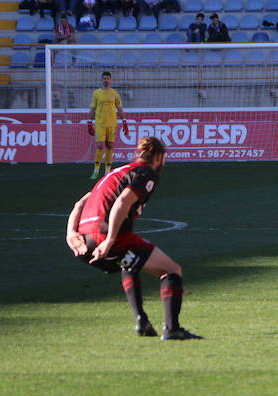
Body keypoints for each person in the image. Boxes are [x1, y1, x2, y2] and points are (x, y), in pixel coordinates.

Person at [66, 136, 201, 340]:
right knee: (172, 270)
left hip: (84, 241)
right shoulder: (147, 172)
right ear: (158, 157)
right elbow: (122, 202)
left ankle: (142, 321)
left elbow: (79, 204)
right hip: (105, 236)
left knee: (129, 262)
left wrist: (70, 233)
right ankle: (172, 329)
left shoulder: (117, 172)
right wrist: (110, 239)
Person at [87, 70, 129, 179]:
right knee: (100, 145)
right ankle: (96, 170)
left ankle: (107, 171)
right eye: (104, 78)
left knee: (110, 146)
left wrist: (124, 121)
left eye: (108, 78)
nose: (106, 80)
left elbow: (119, 108)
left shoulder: (114, 94)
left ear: (111, 80)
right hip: (100, 123)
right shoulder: (96, 93)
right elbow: (92, 108)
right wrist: (89, 122)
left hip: (112, 124)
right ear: (102, 80)